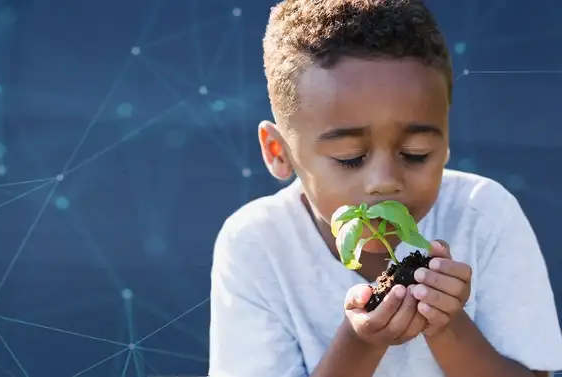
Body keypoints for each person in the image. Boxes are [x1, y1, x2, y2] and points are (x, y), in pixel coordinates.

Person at [207, 0, 562, 376]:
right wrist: (360, 342)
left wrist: (447, 325)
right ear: (279, 152)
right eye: (349, 157)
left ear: (445, 144)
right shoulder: (257, 243)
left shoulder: (483, 213)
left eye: (416, 153)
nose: (384, 181)